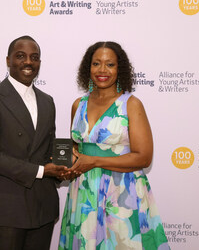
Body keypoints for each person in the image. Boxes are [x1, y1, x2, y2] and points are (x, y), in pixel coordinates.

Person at [59, 41, 170, 249]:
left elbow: (144, 157)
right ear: (87, 68)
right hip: (84, 193)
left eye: (110, 64)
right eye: (96, 64)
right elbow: (76, 151)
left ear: (120, 69)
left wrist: (94, 161)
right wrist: (69, 167)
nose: (102, 70)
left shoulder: (131, 104)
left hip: (121, 194)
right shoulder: (78, 105)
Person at [0, 35, 68, 250]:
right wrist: (43, 171)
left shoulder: (47, 101)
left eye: (34, 57)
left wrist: (64, 167)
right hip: (5, 205)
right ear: (8, 60)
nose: (28, 62)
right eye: (20, 56)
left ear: (39, 64)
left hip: (42, 205)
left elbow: (48, 148)